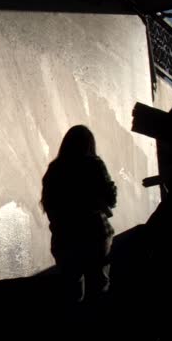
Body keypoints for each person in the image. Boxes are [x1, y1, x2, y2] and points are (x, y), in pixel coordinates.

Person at [41, 126, 117, 301]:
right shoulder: (94, 164)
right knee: (100, 288)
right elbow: (111, 200)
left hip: (65, 239)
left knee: (72, 292)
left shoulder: (54, 169)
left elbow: (49, 205)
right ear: (89, 144)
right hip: (96, 234)